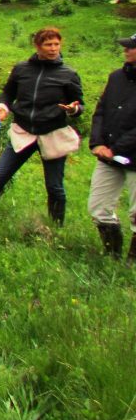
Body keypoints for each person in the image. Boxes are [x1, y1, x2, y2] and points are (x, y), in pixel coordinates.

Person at [0, 27, 84, 225]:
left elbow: (79, 103)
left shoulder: (68, 74)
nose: (53, 49)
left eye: (56, 44)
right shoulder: (21, 69)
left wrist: (73, 109)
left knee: (54, 186)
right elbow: (8, 93)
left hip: (52, 133)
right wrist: (3, 105)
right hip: (23, 131)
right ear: (37, 46)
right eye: (48, 44)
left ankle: (56, 226)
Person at [87, 33, 136, 262]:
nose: (126, 50)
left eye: (131, 48)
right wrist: (97, 142)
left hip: (131, 157)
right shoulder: (116, 77)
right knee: (98, 207)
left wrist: (115, 148)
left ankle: (132, 262)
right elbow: (101, 110)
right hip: (108, 155)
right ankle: (112, 256)